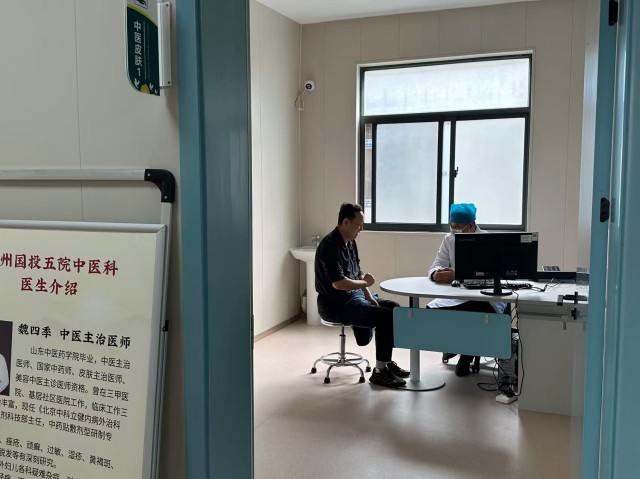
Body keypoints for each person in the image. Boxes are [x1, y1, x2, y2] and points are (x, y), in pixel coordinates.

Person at [315, 203, 409, 388]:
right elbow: (339, 283)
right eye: (359, 225)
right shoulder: (329, 246)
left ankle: (387, 362)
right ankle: (379, 372)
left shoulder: (351, 242)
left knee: (393, 307)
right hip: (335, 304)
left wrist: (368, 294)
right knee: (384, 317)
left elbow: (357, 272)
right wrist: (365, 284)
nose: (361, 229)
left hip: (354, 297)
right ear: (346, 222)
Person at [427, 203, 506, 376]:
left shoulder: (488, 241)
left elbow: (492, 274)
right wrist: (436, 273)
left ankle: (467, 354)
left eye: (457, 227)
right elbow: (437, 264)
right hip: (455, 295)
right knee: (432, 311)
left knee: (478, 311)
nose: (453, 230)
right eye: (451, 226)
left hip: (483, 297)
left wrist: (459, 275)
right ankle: (456, 345)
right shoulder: (449, 239)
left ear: (471, 225)